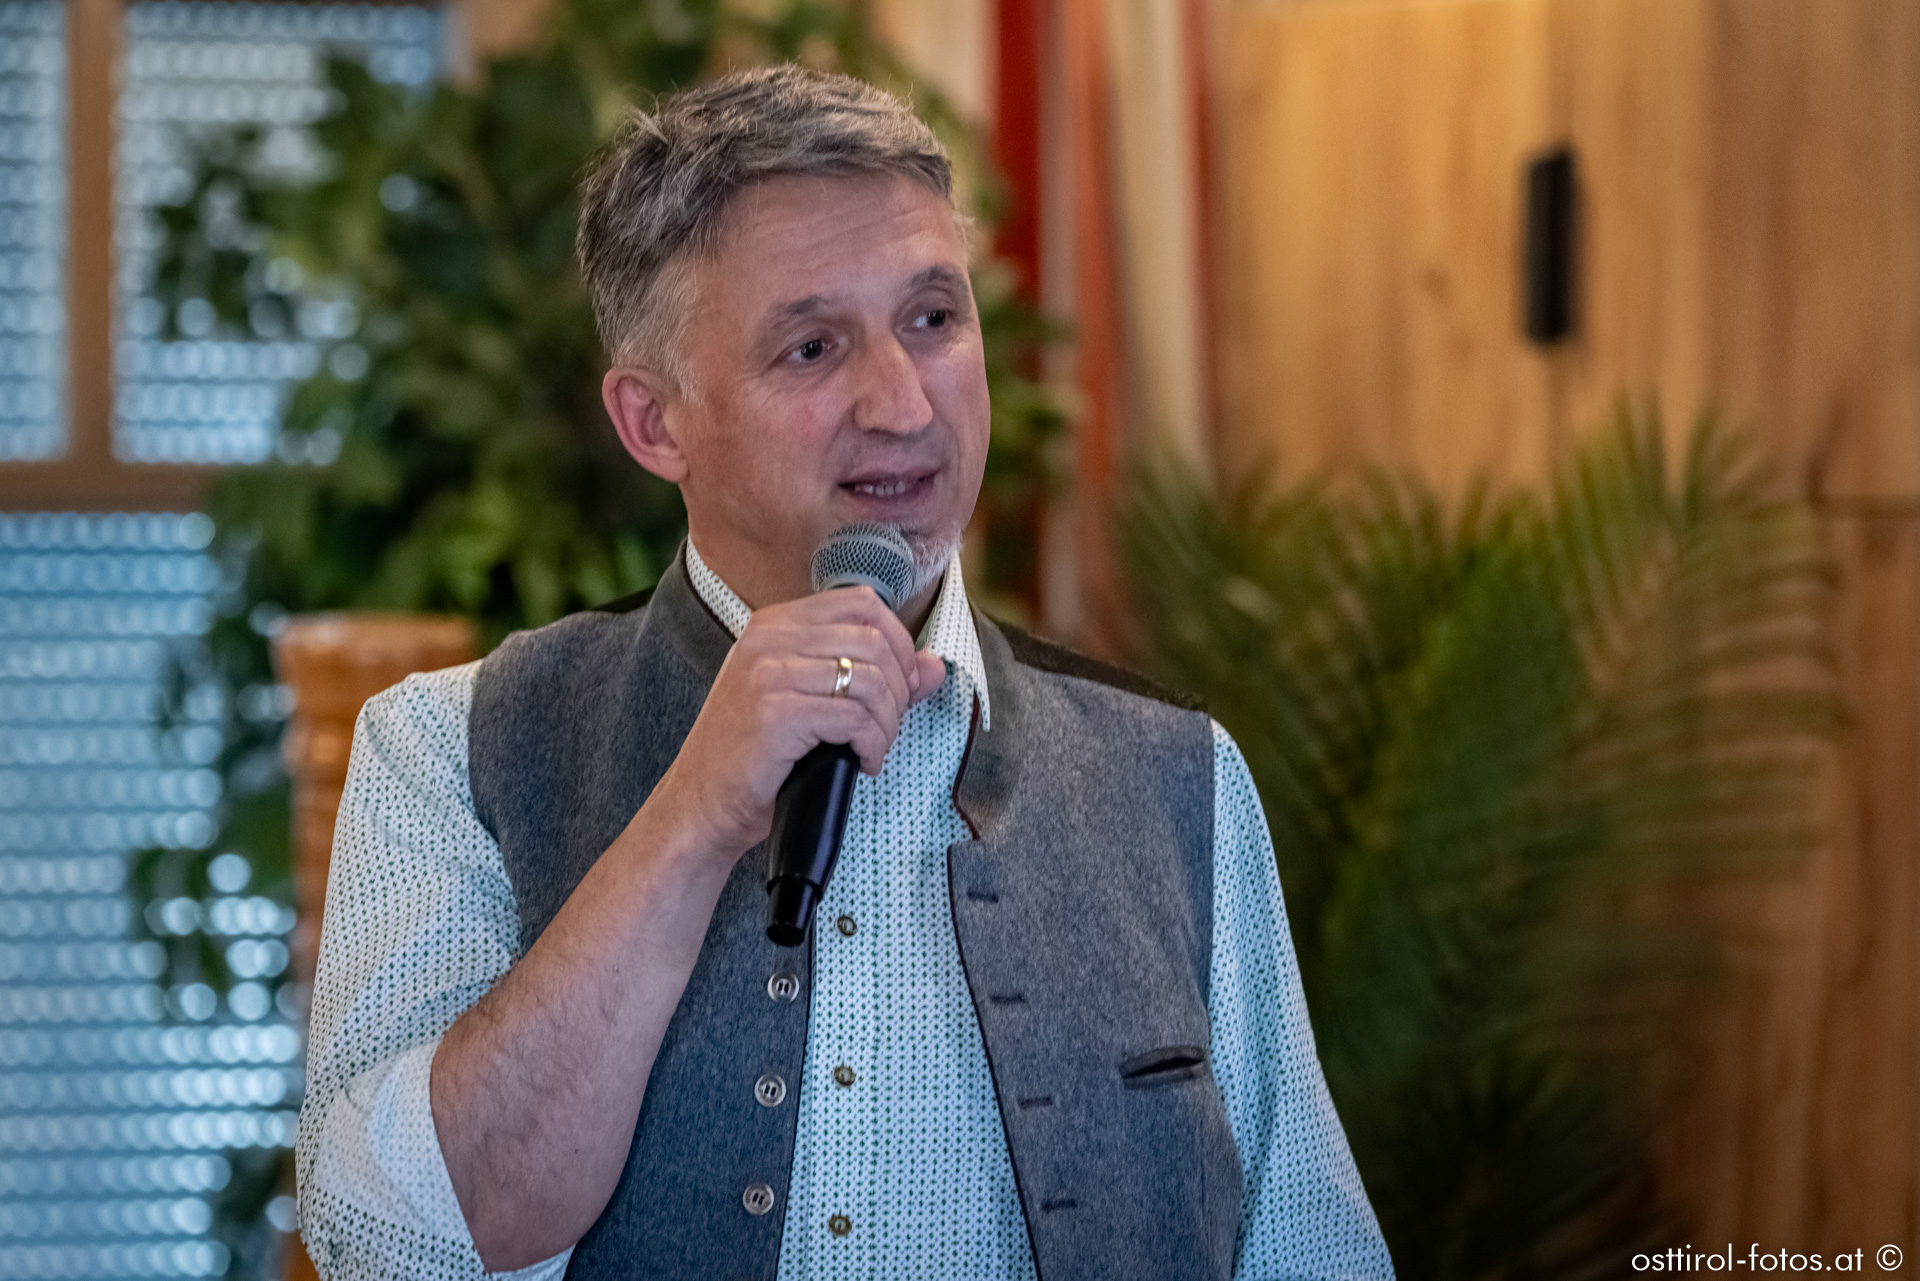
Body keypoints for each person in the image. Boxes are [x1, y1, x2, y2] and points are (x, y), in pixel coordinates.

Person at [295, 64, 1392, 1281]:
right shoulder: (449, 749)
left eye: (933, 319)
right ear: (655, 421)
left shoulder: (1182, 776)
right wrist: (690, 821)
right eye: (813, 346)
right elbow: (393, 1247)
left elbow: (1315, 1255)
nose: (904, 403)